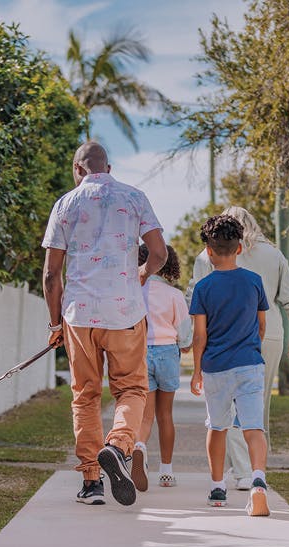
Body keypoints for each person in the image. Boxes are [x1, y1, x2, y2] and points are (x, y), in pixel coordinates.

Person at [40, 141, 167, 506]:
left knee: (85, 396)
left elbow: (51, 275)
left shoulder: (65, 204)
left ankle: (92, 483)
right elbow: (158, 253)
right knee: (131, 390)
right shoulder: (134, 197)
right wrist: (141, 273)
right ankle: (118, 445)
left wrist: (54, 326)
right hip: (125, 312)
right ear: (107, 169)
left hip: (79, 317)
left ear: (77, 169)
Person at [189, 207, 289, 490]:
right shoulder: (273, 255)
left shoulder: (206, 256)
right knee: (256, 406)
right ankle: (256, 471)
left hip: (220, 341)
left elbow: (197, 304)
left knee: (221, 416)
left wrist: (196, 363)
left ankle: (238, 473)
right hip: (266, 337)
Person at [190, 215, 274, 509]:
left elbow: (199, 336)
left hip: (216, 368)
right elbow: (261, 324)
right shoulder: (254, 281)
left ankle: (216, 488)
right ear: (240, 248)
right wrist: (251, 348)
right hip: (250, 363)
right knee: (253, 428)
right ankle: (259, 482)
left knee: (218, 427)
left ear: (209, 251)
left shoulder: (203, 288)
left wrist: (196, 371)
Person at [135, 245, 192, 488]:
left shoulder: (134, 292)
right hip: (168, 352)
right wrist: (186, 345)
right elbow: (186, 336)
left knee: (145, 416)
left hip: (141, 353)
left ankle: (138, 448)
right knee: (165, 415)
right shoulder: (174, 295)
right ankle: (166, 471)